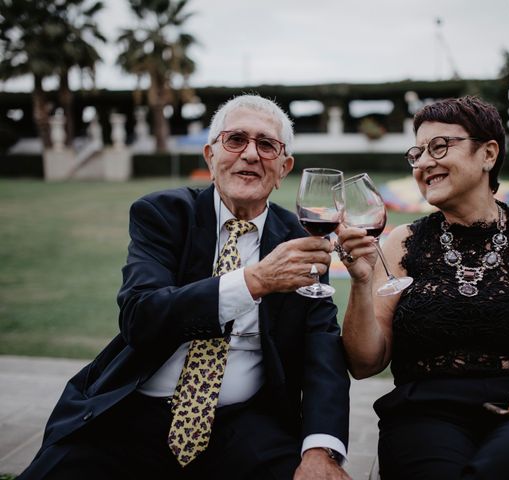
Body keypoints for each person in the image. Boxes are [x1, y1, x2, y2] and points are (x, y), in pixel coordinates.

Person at [19, 94, 351, 480]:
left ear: (283, 168)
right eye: (236, 140)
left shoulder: (299, 239)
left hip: (243, 423)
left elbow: (322, 346)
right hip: (132, 411)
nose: (250, 154)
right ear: (210, 156)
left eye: (266, 145)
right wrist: (255, 281)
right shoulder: (162, 213)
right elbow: (140, 316)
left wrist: (321, 449)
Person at [335, 96, 509, 479]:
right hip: (425, 417)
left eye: (439, 147)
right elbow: (365, 363)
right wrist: (360, 282)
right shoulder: (401, 242)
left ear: (488, 153)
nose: (424, 163)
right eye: (417, 153)